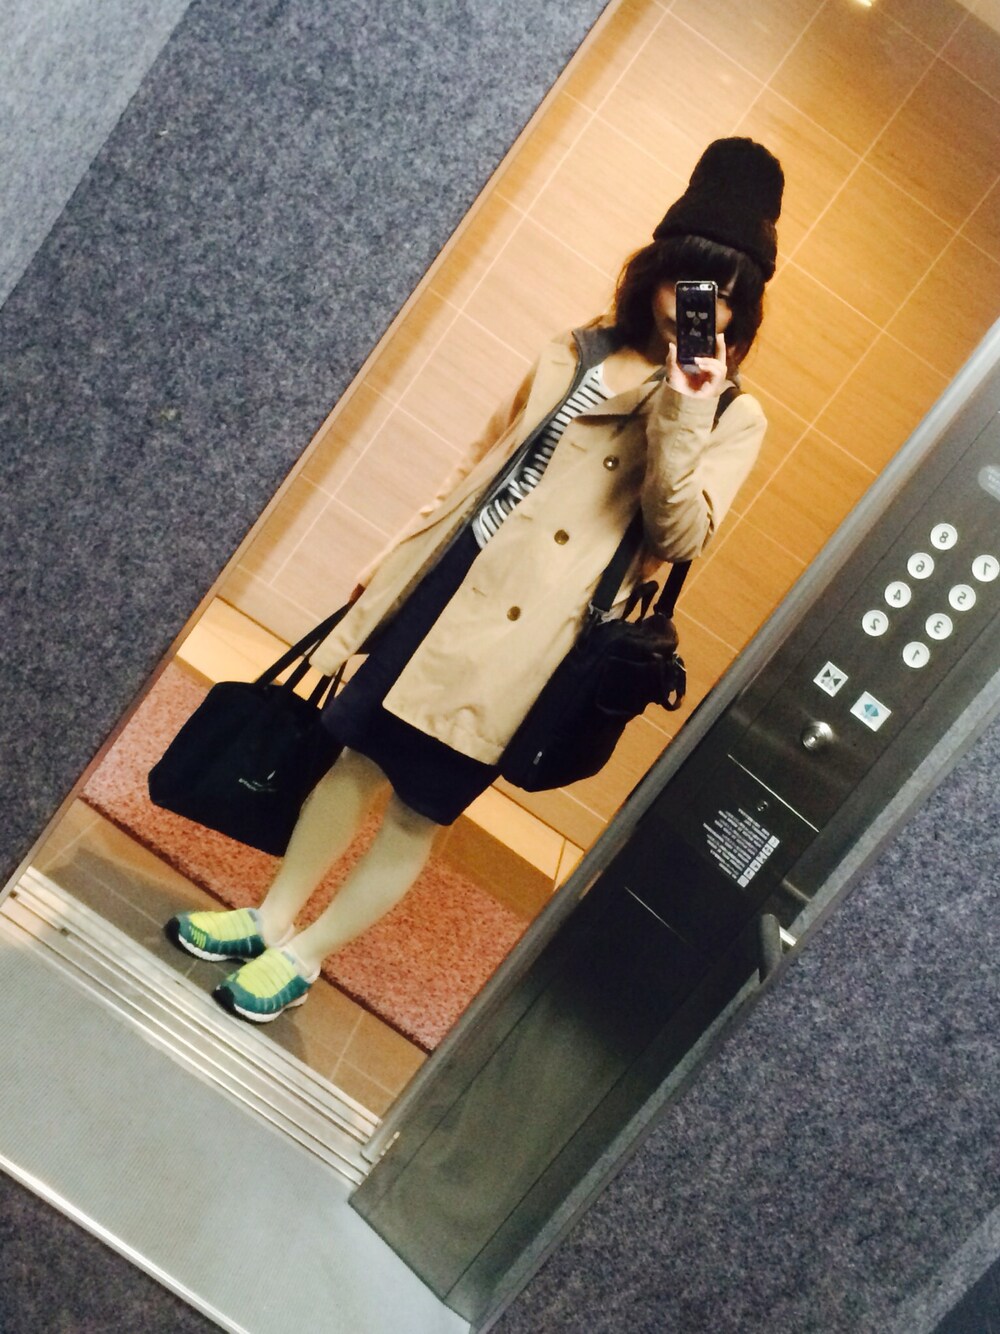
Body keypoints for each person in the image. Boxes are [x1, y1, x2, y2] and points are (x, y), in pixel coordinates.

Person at [165, 137, 784, 1022]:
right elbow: (481, 463)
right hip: (451, 582)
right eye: (691, 279)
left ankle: (305, 956)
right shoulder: (579, 347)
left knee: (417, 806)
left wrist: (687, 403)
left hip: (531, 633)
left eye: (722, 294)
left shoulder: (732, 412)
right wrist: (397, 554)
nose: (701, 305)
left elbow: (678, 534)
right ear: (656, 266)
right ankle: (269, 918)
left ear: (742, 308)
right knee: (350, 759)